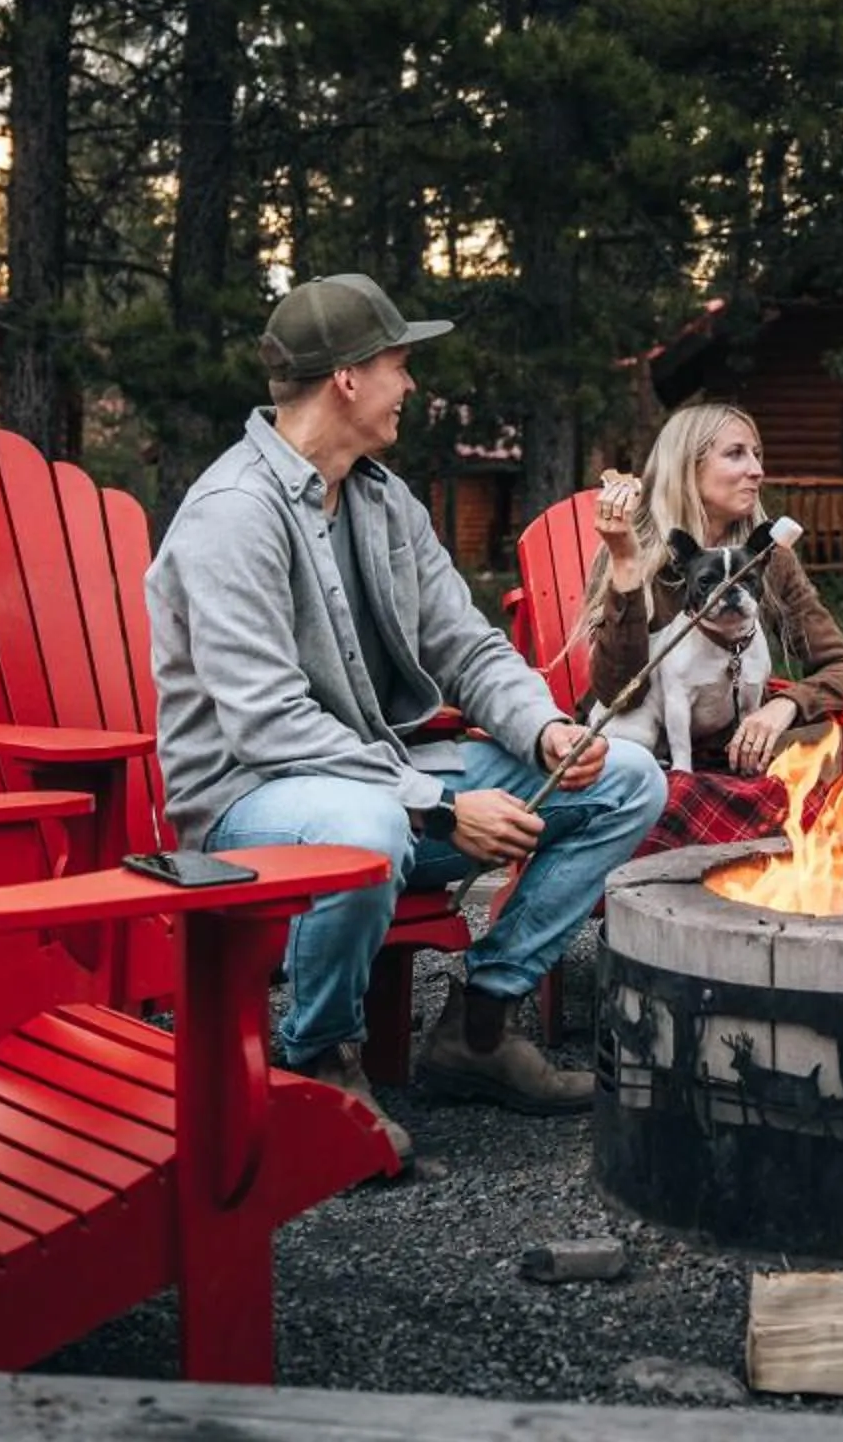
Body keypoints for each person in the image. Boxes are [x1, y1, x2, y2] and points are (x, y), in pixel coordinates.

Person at [148, 273, 667, 1164]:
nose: (411, 386)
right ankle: (317, 1061)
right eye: (398, 365)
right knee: (367, 827)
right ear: (347, 378)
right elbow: (268, 724)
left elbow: (469, 645)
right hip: (249, 801)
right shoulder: (233, 515)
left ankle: (478, 1026)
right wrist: (436, 803)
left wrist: (543, 729)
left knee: (626, 778)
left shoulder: (382, 499)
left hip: (389, 781)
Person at [576, 402, 843, 853]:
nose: (756, 470)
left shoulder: (767, 560)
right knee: (669, 801)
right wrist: (626, 570)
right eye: (736, 454)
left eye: (757, 455)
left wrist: (787, 705)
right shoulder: (633, 553)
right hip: (641, 755)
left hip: (730, 764)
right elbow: (621, 691)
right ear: (687, 468)